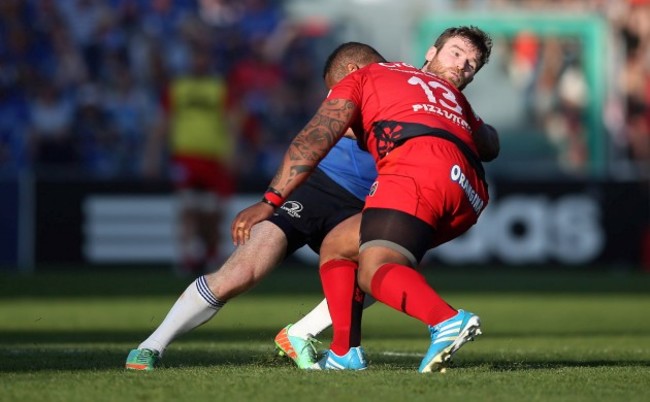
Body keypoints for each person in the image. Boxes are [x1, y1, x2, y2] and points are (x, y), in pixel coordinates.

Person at [232, 26, 498, 373]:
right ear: (431, 53)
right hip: (469, 193)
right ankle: (344, 352)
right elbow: (491, 146)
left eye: (471, 65)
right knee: (339, 245)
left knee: (376, 271)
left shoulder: (365, 76)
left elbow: (314, 138)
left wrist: (270, 200)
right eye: (457, 54)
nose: (463, 66)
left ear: (346, 72)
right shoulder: (454, 99)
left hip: (418, 168)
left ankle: (446, 319)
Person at [124, 42, 384, 371]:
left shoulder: (402, 90)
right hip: (315, 191)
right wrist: (269, 202)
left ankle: (300, 333)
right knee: (240, 272)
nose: (335, 98)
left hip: (366, 202)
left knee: (380, 272)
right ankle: (152, 345)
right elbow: (311, 142)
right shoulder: (363, 95)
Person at [164, 47, 237, 275]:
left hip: (213, 158)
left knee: (214, 211)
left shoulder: (219, 88)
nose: (199, 61)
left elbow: (231, 121)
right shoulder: (178, 87)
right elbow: (165, 121)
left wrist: (232, 151)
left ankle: (211, 253)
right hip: (185, 156)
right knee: (187, 208)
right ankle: (186, 257)